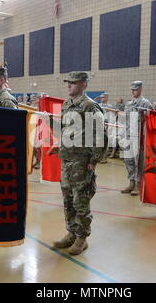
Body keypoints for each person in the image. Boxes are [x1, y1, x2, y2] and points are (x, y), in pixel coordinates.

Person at [52, 71, 107, 255]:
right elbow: (65, 129)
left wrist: (94, 160)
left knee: (80, 200)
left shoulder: (90, 107)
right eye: (68, 82)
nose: (69, 85)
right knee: (67, 200)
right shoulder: (67, 105)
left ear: (84, 84)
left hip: (82, 161)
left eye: (73, 83)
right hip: (66, 159)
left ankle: (82, 238)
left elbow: (100, 135)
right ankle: (71, 233)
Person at [120, 81, 154, 196]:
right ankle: (131, 183)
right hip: (128, 135)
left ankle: (139, 185)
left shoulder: (145, 103)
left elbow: (152, 119)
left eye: (135, 89)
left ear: (140, 89)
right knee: (128, 160)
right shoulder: (128, 104)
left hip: (139, 136)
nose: (133, 91)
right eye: (132, 89)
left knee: (138, 161)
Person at [98, 92, 116, 164]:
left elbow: (113, 116)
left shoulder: (110, 106)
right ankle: (99, 157)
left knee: (106, 143)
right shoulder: (99, 105)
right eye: (101, 97)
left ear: (107, 98)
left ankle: (104, 158)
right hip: (99, 126)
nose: (102, 99)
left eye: (104, 97)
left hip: (107, 126)